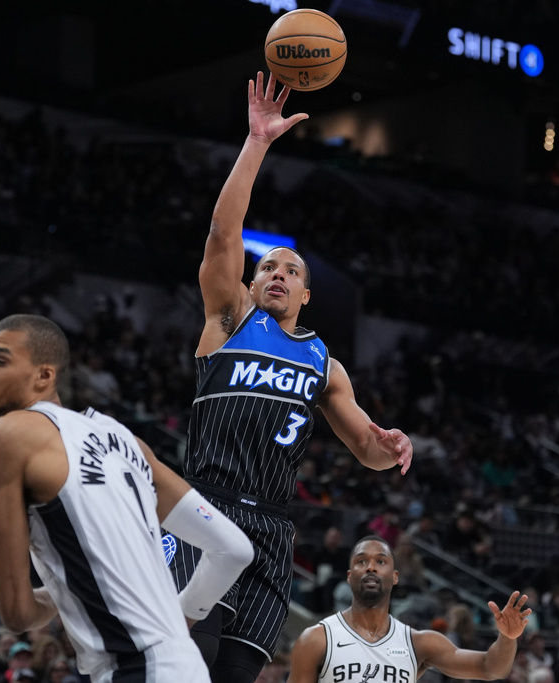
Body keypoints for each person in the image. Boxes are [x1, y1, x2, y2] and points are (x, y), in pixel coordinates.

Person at [168, 71, 413, 683]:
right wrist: (257, 142)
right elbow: (224, 234)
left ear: (305, 292)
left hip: (273, 524)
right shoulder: (228, 321)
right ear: (252, 284)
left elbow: (366, 449)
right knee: (175, 660)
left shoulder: (325, 365)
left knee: (235, 673)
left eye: (290, 269)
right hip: (205, 509)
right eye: (267, 267)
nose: (276, 273)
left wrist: (390, 447)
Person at [0, 314, 253, 683]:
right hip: (185, 667)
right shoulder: (125, 440)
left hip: (134, 670)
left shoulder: (8, 435)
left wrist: (65, 590)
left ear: (44, 375)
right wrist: (180, 617)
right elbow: (234, 550)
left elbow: (17, 615)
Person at [287, 536, 531, 683]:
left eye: (380, 561)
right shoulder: (316, 639)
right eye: (362, 561)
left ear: (394, 577)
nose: (371, 567)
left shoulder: (418, 643)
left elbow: (490, 667)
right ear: (350, 577)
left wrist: (508, 638)